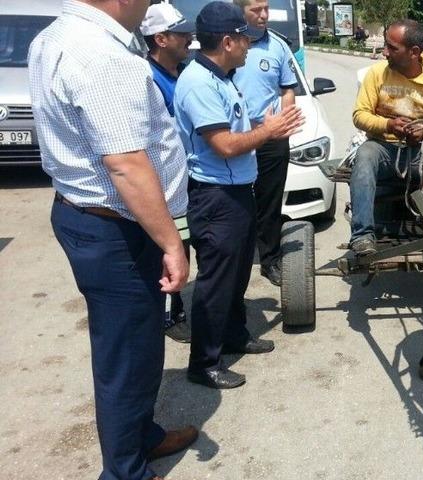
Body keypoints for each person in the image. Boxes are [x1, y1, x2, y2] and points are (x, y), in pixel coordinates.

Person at [28, 0, 198, 478]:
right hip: (117, 227)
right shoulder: (102, 56)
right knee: (125, 354)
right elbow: (125, 163)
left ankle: (141, 436)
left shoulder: (56, 36)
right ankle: (125, 472)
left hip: (93, 218)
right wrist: (171, 243)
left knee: (139, 343)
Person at [174, 1, 303, 390]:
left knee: (235, 274)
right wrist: (271, 130)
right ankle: (204, 362)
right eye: (244, 39)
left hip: (235, 191)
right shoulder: (198, 83)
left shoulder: (222, 77)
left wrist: (264, 125)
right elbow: (226, 145)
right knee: (215, 281)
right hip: (216, 197)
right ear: (227, 41)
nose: (250, 44)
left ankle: (233, 335)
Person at [349, 19, 423, 256]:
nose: (385, 52)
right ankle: (362, 236)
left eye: (392, 48)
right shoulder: (377, 74)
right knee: (365, 155)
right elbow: (359, 115)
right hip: (383, 148)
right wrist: (388, 125)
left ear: (414, 52)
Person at [232, 0, 300, 287]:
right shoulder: (227, 45)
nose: (263, 15)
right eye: (255, 10)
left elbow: (287, 89)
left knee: (269, 201)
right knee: (234, 202)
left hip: (270, 136)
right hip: (233, 137)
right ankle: (235, 259)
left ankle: (270, 259)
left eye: (265, 9)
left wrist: (283, 120)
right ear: (240, 12)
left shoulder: (278, 47)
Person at [141, 2, 196, 343]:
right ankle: (169, 314)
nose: (189, 38)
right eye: (181, 34)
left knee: (187, 242)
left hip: (191, 178)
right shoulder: (147, 78)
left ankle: (178, 306)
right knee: (171, 246)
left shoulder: (185, 71)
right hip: (163, 182)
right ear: (160, 39)